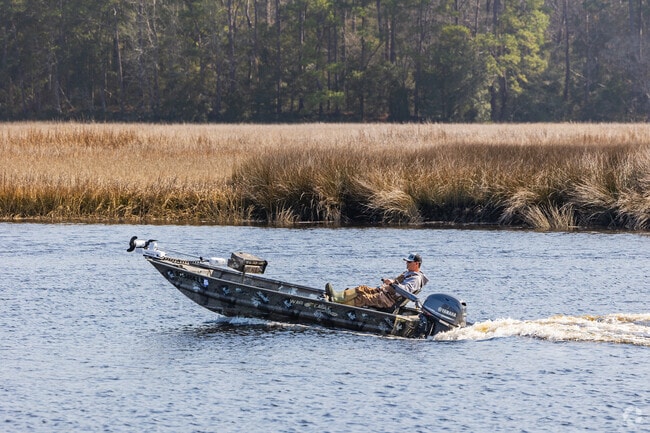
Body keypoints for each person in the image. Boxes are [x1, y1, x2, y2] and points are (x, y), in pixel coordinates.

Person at [325, 253, 428, 309]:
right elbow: (398, 283)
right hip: (384, 293)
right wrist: (390, 282)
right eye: (407, 262)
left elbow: (405, 290)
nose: (407, 263)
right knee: (362, 288)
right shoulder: (408, 273)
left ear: (417, 264)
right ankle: (337, 297)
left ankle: (338, 306)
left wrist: (392, 284)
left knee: (364, 298)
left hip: (389, 300)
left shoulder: (416, 279)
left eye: (409, 262)